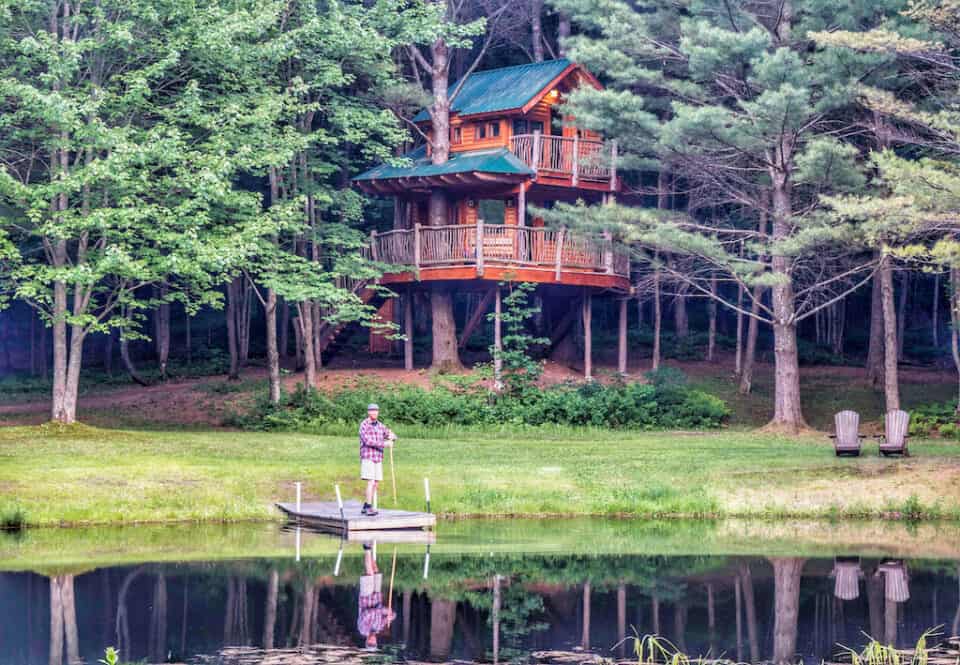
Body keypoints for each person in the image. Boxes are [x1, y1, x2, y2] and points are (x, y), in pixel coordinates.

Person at [358, 403, 395, 516]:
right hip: (368, 456)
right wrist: (384, 444)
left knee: (376, 483)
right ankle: (369, 507)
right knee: (371, 481)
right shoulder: (364, 425)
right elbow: (368, 441)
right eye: (372, 411)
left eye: (376, 411)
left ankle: (366, 505)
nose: (374, 413)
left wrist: (392, 437)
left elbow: (389, 434)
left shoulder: (380, 425)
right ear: (368, 412)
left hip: (378, 457)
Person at [357, 542, 395, 650]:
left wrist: (382, 611)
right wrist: (390, 616)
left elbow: (366, 613)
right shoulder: (378, 628)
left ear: (367, 641)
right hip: (377, 596)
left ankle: (367, 548)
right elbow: (392, 616)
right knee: (376, 571)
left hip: (366, 597)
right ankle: (371, 548)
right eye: (374, 643)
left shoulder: (362, 628)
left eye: (370, 643)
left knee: (370, 573)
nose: (373, 641)